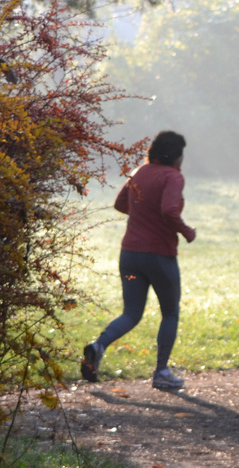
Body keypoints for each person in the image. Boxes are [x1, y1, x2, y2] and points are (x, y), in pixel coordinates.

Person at [81, 130, 197, 392]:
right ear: (176, 155)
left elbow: (121, 203)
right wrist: (186, 231)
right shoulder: (172, 176)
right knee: (170, 312)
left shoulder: (140, 172)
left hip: (130, 255)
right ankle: (161, 372)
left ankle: (98, 346)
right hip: (158, 257)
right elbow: (168, 210)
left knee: (131, 312)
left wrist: (144, 214)